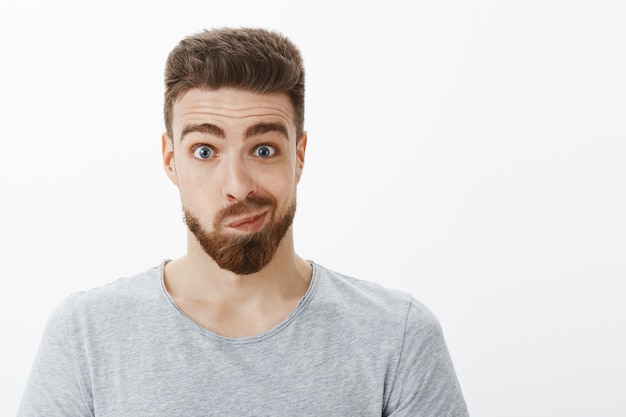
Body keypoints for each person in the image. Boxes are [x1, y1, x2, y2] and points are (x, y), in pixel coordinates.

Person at [18, 27, 469, 416]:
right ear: (171, 160)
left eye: (264, 149)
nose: (237, 185)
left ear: (299, 156)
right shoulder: (86, 335)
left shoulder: (397, 336)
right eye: (205, 151)